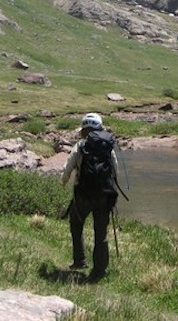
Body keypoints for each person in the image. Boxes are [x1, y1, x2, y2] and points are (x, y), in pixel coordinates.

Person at [61, 112, 119, 282]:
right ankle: (99, 271)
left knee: (76, 224)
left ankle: (79, 260)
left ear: (84, 129)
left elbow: (68, 167)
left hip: (83, 194)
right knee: (101, 233)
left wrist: (63, 182)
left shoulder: (80, 145)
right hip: (104, 195)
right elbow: (115, 170)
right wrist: (112, 190)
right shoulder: (107, 146)